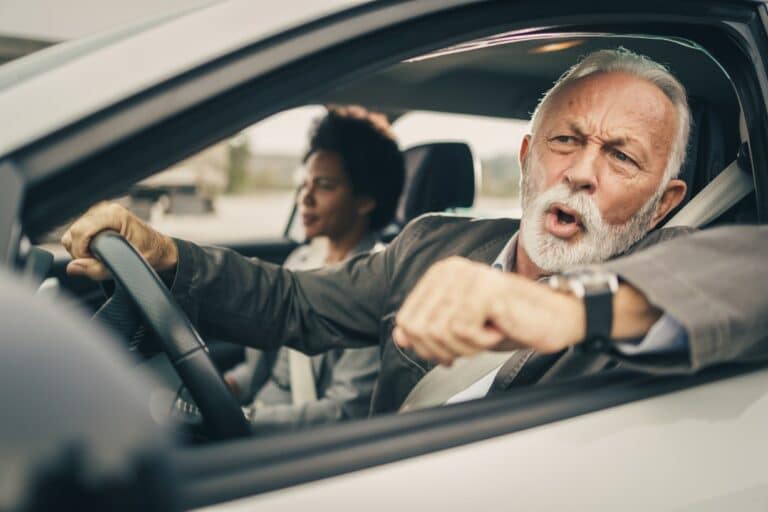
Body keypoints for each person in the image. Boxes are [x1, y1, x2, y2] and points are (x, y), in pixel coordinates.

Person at [62, 49, 760, 415]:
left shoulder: (672, 269)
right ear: (526, 159)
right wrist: (168, 256)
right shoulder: (432, 245)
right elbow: (293, 303)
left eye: (620, 156)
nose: (580, 172)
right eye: (566, 141)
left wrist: (568, 309)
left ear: (666, 202)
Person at [221, 109, 405, 432]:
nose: (305, 198)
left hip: (292, 443)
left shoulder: (376, 290)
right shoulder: (300, 261)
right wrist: (226, 388)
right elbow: (261, 371)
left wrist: (244, 422)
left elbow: (342, 413)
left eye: (324, 186)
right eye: (304, 184)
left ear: (364, 200)